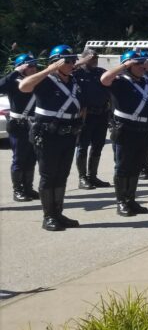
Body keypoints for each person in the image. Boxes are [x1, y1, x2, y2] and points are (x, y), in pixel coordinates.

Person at [19, 45, 84, 231]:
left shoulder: (73, 81)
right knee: (48, 176)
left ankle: (58, 213)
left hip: (68, 134)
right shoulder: (46, 80)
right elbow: (24, 86)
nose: (72, 64)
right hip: (47, 134)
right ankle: (48, 217)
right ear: (56, 62)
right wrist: (49, 69)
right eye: (68, 61)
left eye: (73, 60)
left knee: (62, 175)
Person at [99, 50, 148, 217]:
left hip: (144, 130)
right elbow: (104, 79)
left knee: (135, 167)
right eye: (138, 64)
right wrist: (125, 64)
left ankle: (131, 199)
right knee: (123, 168)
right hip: (126, 130)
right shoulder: (120, 81)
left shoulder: (145, 81)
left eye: (142, 63)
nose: (142, 66)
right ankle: (121, 202)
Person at [1, 53, 39, 201]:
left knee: (31, 157)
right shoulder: (14, 82)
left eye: (34, 65)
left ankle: (28, 188)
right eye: (30, 65)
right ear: (22, 67)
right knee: (19, 158)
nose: (33, 68)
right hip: (19, 124)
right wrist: (16, 71)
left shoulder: (37, 80)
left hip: (34, 124)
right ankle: (18, 190)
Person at [73, 48, 110, 190]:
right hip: (86, 115)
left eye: (96, 57)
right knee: (82, 146)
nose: (94, 60)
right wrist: (81, 62)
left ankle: (92, 176)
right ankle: (82, 178)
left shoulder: (99, 72)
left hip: (101, 114)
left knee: (98, 145)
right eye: (91, 58)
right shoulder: (77, 73)